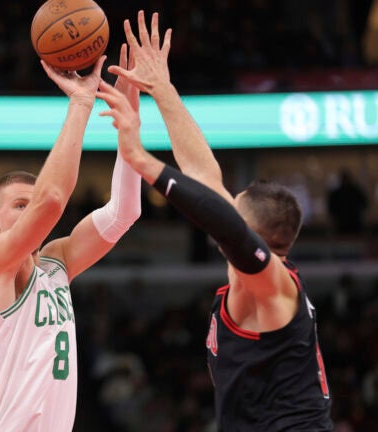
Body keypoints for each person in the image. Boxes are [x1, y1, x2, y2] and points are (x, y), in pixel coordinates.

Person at [97, 11, 333, 430]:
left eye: (231, 207)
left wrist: (141, 160)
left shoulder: (274, 284)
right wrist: (162, 89)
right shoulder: (254, 272)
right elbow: (204, 177)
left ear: (254, 233)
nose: (221, 206)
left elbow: (227, 226)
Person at [0, 51, 142, 431]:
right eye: (19, 205)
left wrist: (129, 121)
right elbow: (50, 201)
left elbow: (124, 213)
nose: (28, 212)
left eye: (29, 205)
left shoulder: (56, 262)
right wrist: (81, 102)